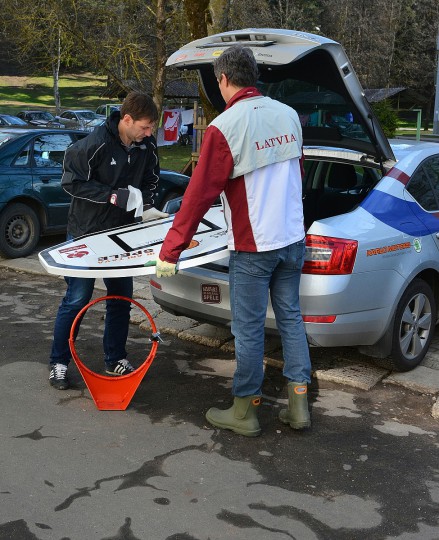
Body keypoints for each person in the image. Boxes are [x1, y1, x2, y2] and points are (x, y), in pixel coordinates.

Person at [154, 45, 311, 437]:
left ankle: (245, 411)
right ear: (254, 76)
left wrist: (171, 249)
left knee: (249, 328)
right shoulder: (289, 115)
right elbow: (298, 174)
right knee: (291, 318)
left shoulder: (225, 126)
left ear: (223, 79)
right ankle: (299, 405)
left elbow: (198, 196)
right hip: (292, 238)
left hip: (253, 247)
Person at [49, 91, 167, 390]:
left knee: (121, 299)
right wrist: (112, 196)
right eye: (145, 126)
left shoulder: (146, 146)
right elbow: (71, 183)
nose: (149, 133)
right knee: (77, 299)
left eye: (151, 128)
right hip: (86, 233)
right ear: (126, 119)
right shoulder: (93, 145)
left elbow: (151, 178)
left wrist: (148, 205)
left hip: (122, 237)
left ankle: (115, 357)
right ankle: (59, 362)